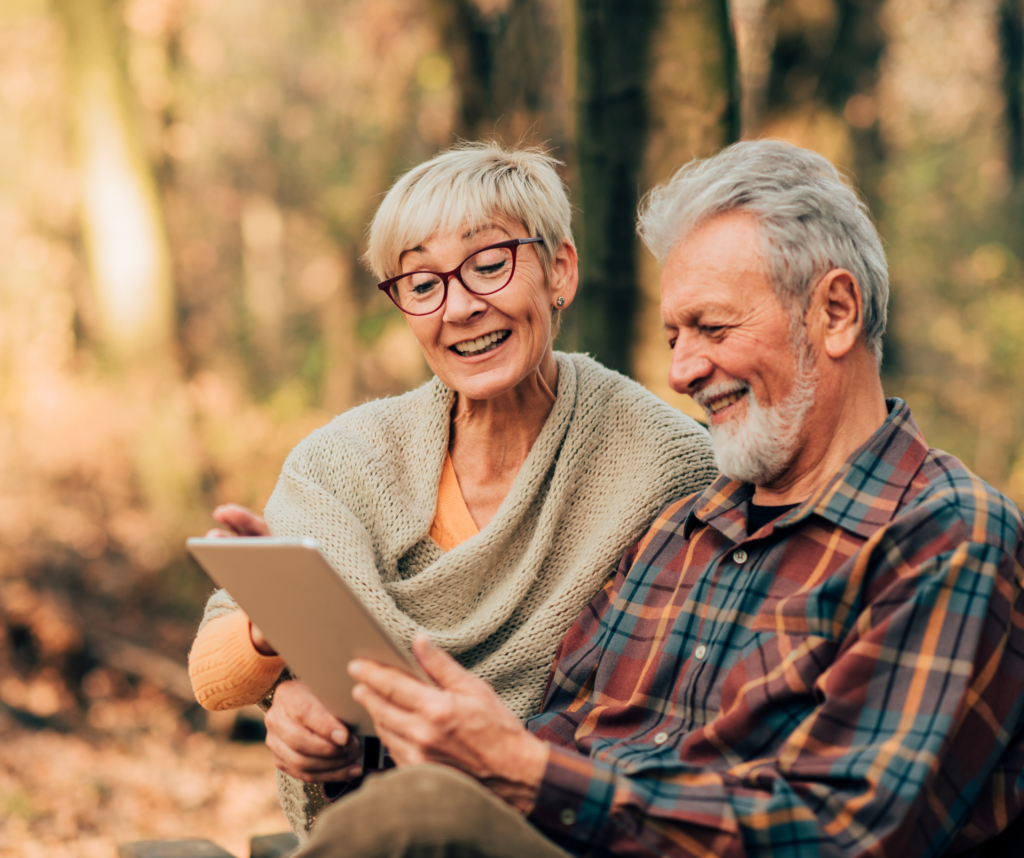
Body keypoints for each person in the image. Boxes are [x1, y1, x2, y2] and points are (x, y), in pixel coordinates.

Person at [288, 139, 1024, 858]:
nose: (681, 371)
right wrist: (369, 753)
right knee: (401, 807)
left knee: (414, 818)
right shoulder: (688, 524)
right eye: (673, 335)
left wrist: (528, 775)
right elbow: (561, 728)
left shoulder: (942, 535)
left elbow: (844, 831)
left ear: (834, 313)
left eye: (712, 327)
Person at [186, 142, 717, 840]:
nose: (460, 307)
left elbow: (668, 710)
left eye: (489, 265)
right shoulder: (345, 459)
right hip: (374, 827)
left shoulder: (666, 464)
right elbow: (213, 675)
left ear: (560, 270)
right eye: (422, 283)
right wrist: (283, 654)